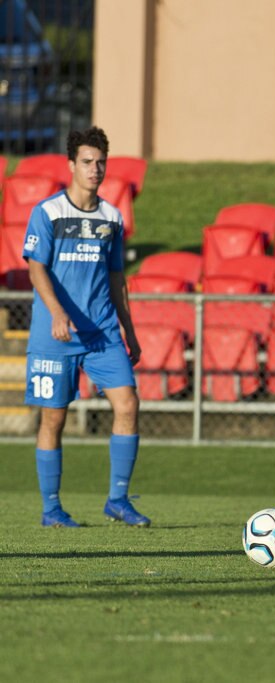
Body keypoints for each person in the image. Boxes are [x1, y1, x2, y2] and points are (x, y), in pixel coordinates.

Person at [23, 126, 149, 528]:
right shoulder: (48, 213)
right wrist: (58, 312)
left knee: (128, 404)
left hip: (102, 335)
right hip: (55, 335)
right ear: (71, 165)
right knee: (53, 420)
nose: (95, 169)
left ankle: (117, 500)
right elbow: (36, 268)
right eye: (87, 162)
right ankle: (52, 509)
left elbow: (116, 279)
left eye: (101, 163)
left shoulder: (112, 218)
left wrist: (128, 328)